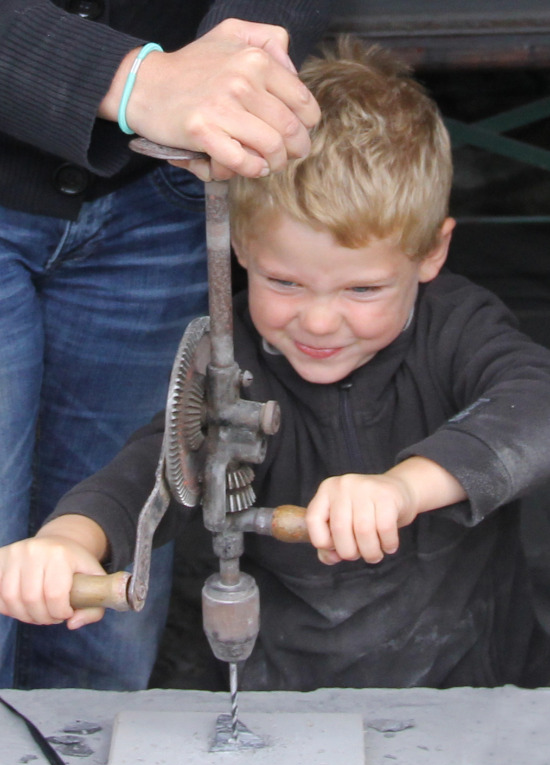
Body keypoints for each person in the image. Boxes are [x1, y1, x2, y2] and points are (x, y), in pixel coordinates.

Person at [2, 36, 550, 691]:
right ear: (240, 246)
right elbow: (152, 468)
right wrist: (70, 540)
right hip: (282, 693)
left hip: (472, 686)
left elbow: (534, 406)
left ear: (432, 252)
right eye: (284, 282)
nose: (317, 321)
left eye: (362, 289)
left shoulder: (456, 329)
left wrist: (404, 488)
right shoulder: (234, 366)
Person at [0, 1, 333, 690]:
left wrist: (242, 67)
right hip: (151, 121)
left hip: (157, 185)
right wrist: (131, 82)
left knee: (107, 632)